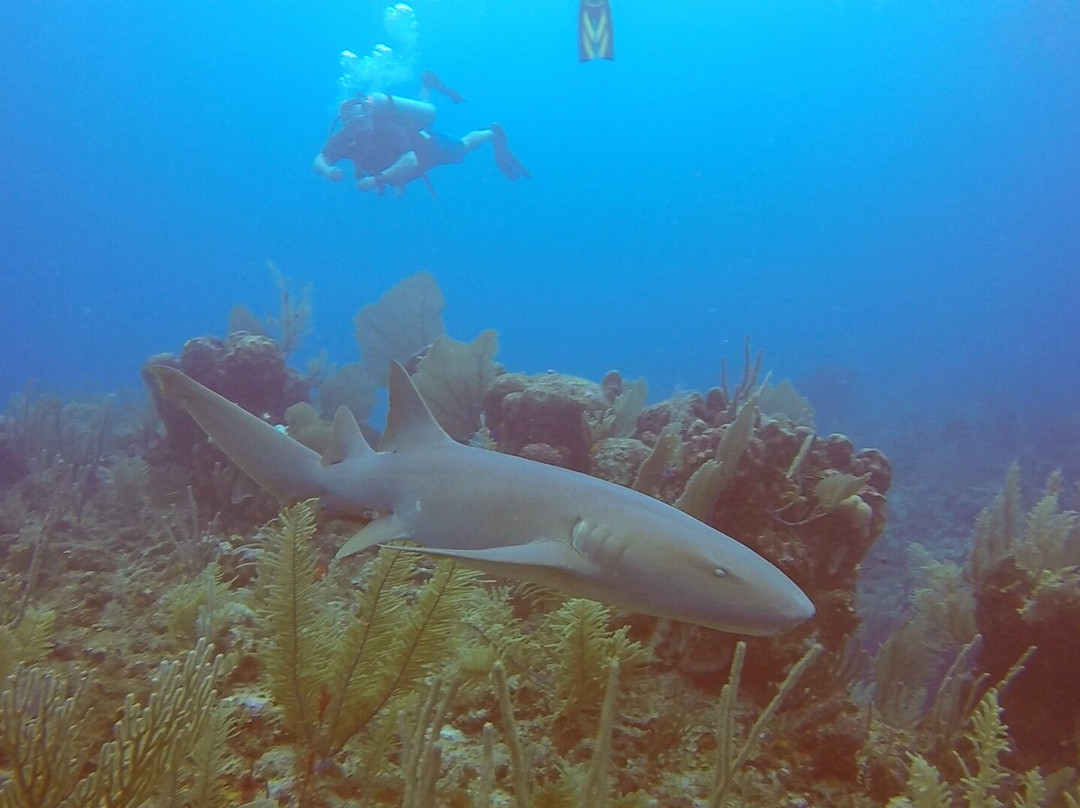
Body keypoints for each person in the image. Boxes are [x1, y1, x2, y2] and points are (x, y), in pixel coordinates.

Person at [313, 73, 529, 197]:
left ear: (370, 116)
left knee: (463, 146)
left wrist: (378, 179)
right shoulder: (344, 137)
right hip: (393, 163)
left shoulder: (388, 129)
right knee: (422, 112)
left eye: (362, 121)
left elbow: (410, 160)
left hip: (428, 148)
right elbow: (321, 158)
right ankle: (426, 86)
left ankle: (492, 133)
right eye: (353, 125)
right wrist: (327, 169)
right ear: (346, 124)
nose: (359, 128)